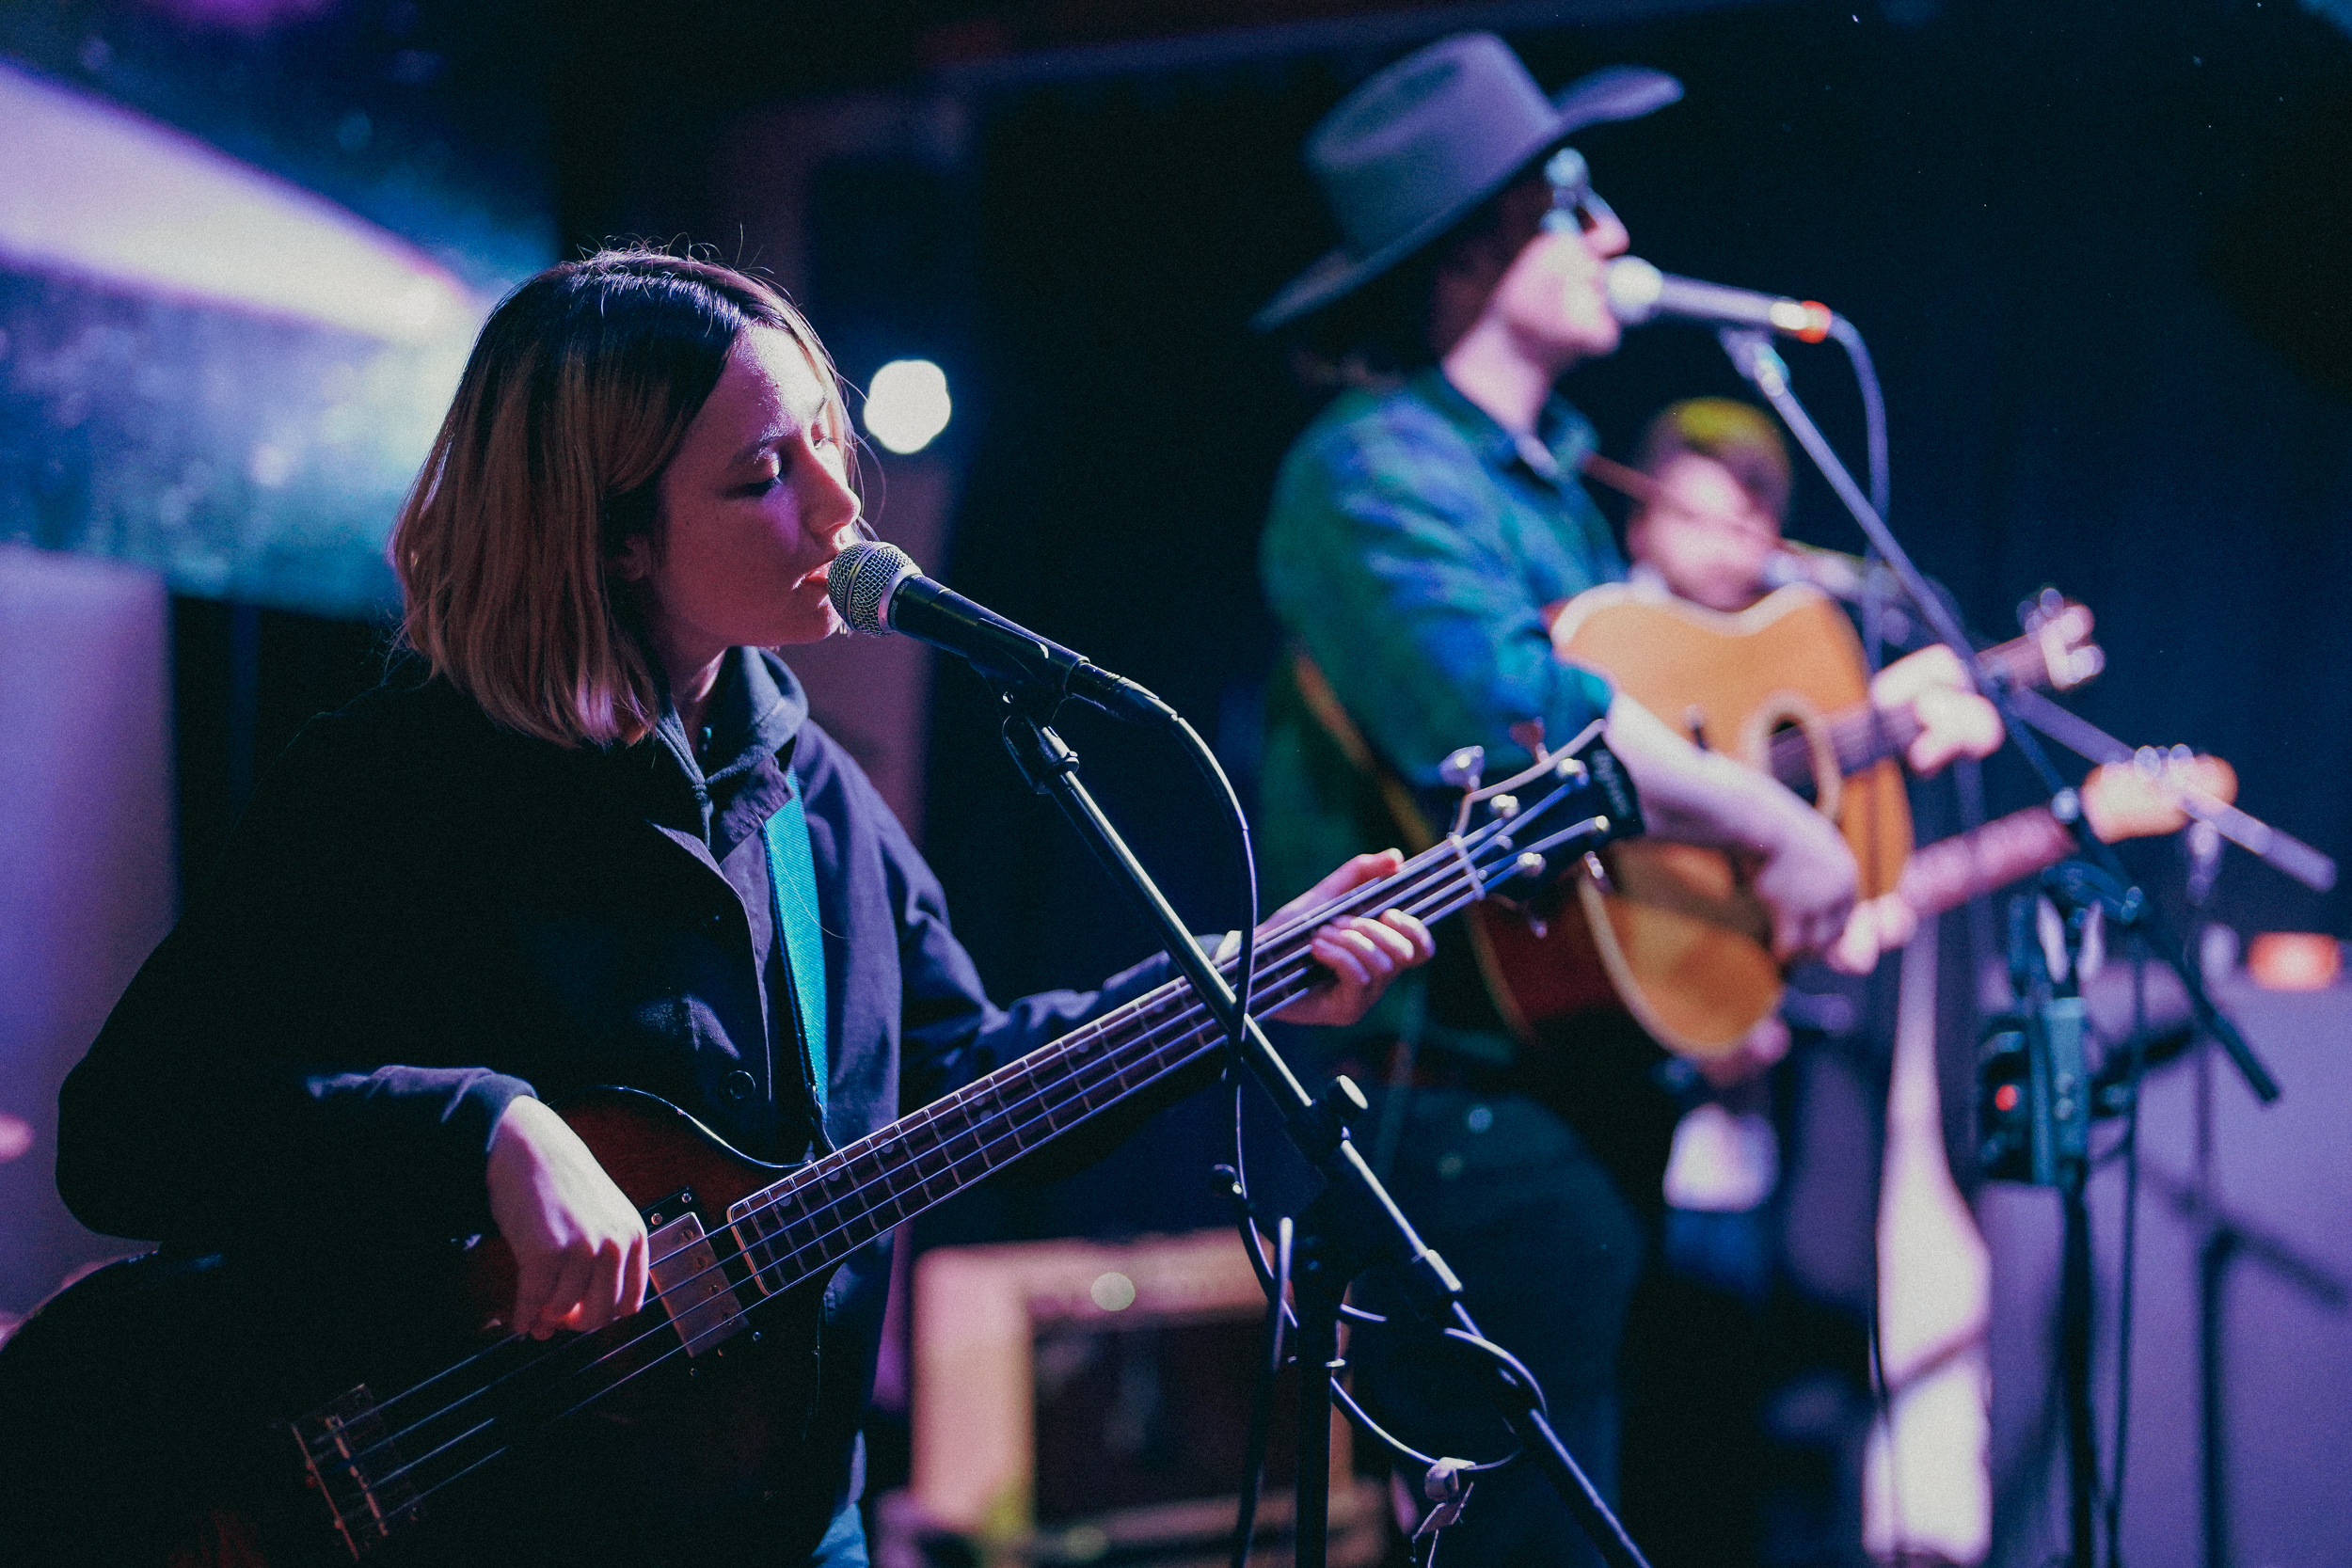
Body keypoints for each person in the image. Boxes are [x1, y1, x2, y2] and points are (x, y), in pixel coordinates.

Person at [43, 250, 1433, 1568]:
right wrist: (485, 1127)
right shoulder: (392, 785)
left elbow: (954, 1077)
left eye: (830, 441)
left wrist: (1234, 980)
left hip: (778, 1512)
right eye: (765, 473)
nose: (841, 510)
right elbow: (133, 1131)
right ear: (615, 534)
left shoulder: (816, 796)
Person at [1250, 34, 1882, 1568]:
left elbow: (1658, 733)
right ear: (1472, 249)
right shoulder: (1371, 469)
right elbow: (1520, 719)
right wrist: (1782, 822)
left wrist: (1825, 764)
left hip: (1582, 1088)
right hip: (1448, 1101)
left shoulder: (1559, 488)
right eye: (1570, 201)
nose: (1613, 236)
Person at [1605, 397, 2001, 1568]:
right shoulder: (1589, 651)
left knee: (1740, 1432)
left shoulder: (1803, 669)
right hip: (1606, 1078)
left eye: (1758, 511)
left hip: (1743, 1119)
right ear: (1643, 512)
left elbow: (1848, 884)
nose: (1736, 531)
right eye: (1705, 504)